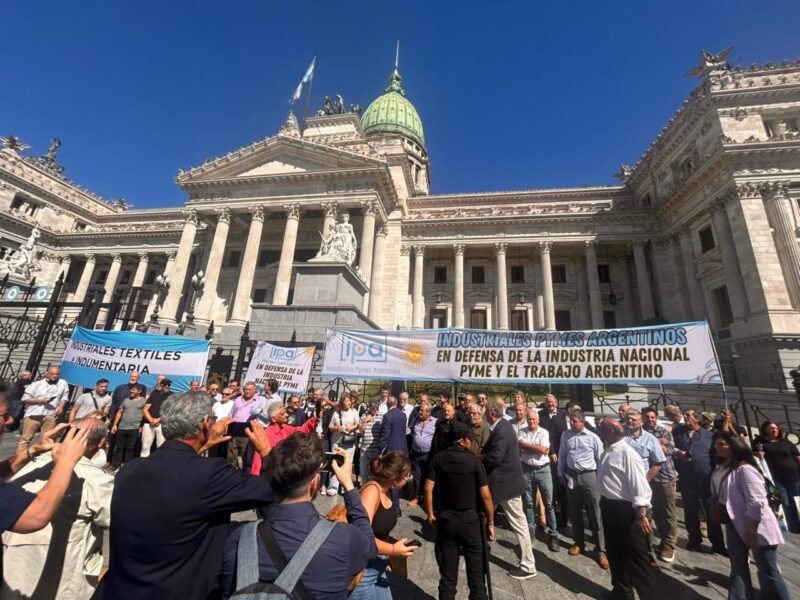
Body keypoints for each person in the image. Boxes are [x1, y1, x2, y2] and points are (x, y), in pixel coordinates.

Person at [98, 392, 274, 600]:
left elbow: (177, 474)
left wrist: (204, 445)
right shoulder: (209, 473)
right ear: (205, 424)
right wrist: (266, 452)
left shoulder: (130, 470)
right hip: (180, 591)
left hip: (121, 591)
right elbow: (269, 489)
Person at [221, 434, 375, 599]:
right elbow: (370, 546)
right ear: (315, 482)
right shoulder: (343, 539)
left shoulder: (239, 539)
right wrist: (349, 486)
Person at [2, 416, 113, 599]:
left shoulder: (26, 466)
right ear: (101, 442)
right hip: (58, 583)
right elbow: (113, 518)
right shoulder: (98, 480)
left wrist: (35, 449)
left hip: (10, 573)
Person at [710, 430, 791, 600]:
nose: (718, 448)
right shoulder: (722, 466)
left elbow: (757, 501)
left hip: (756, 524)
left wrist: (751, 528)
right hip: (734, 522)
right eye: (716, 444)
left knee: (767, 568)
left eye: (722, 444)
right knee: (738, 565)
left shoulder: (746, 469)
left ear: (734, 446)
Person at [425, 420, 494, 600]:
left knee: (448, 578)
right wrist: (491, 522)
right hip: (471, 520)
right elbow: (486, 495)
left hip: (447, 519)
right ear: (462, 441)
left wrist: (430, 514)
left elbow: (427, 489)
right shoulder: (473, 461)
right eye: (469, 439)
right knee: (477, 578)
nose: (471, 443)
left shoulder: (438, 458)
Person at [596, 418, 656, 600]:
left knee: (637, 557)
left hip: (627, 511)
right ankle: (622, 591)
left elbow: (640, 486)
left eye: (602, 429)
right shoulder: (608, 450)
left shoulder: (627, 454)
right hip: (609, 507)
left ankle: (650, 595)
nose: (600, 432)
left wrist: (641, 514)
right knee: (615, 551)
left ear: (611, 432)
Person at [350, 452, 419, 600]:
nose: (408, 479)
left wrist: (384, 557)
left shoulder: (386, 491)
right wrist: (393, 550)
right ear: (395, 477)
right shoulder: (372, 491)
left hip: (376, 565)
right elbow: (361, 536)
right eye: (406, 475)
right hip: (363, 573)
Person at [482, 399, 537, 579]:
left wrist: (476, 458)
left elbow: (494, 458)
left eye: (484, 411)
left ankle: (528, 565)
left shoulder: (501, 430)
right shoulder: (502, 426)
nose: (483, 414)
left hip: (507, 485)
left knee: (519, 524)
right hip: (505, 484)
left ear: (491, 413)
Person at [558, 410, 608, 569]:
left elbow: (601, 460)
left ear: (582, 422)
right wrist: (560, 473)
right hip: (572, 476)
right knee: (575, 511)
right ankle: (578, 542)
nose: (571, 424)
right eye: (570, 421)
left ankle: (600, 549)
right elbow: (562, 454)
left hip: (590, 476)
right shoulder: (566, 435)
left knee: (595, 512)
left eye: (574, 421)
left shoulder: (593, 438)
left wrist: (601, 480)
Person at [674, 408, 726, 554]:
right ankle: (694, 540)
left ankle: (718, 544)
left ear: (697, 419)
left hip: (706, 479)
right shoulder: (678, 433)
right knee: (690, 511)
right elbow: (673, 450)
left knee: (711, 512)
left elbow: (716, 454)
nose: (685, 417)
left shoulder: (709, 435)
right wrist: (679, 456)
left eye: (688, 415)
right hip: (687, 478)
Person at [519, 408, 559, 552]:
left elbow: (543, 450)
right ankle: (531, 530)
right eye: (529, 419)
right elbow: (521, 447)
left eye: (533, 419)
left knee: (549, 504)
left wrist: (527, 446)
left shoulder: (544, 432)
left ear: (538, 420)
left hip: (543, 470)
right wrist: (535, 448)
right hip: (527, 469)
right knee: (529, 503)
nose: (531, 422)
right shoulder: (521, 431)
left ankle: (553, 534)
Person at [642, 406, 679, 562]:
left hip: (665, 476)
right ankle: (662, 541)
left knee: (669, 513)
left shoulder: (664, 431)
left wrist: (653, 443)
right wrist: (657, 444)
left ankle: (670, 545)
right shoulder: (641, 432)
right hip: (649, 478)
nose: (650, 420)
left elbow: (668, 450)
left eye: (652, 417)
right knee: (656, 512)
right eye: (647, 417)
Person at [248, 400, 319, 476]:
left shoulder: (285, 428)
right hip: (270, 473)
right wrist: (255, 477)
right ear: (273, 419)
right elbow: (257, 459)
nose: (286, 415)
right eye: (282, 413)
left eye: (285, 412)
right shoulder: (267, 434)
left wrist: (313, 419)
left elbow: (301, 431)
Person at [755, 420, 800, 533]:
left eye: (775, 428)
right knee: (785, 501)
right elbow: (754, 454)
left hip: (793, 475)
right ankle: (792, 524)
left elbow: (797, 457)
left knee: (797, 500)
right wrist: (759, 455)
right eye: (771, 428)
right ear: (765, 430)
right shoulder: (761, 443)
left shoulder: (786, 443)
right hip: (776, 477)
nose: (774, 430)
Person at [17, 366, 70, 454]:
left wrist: (61, 406)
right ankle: (19, 458)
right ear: (47, 374)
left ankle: (39, 457)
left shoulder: (63, 383)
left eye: (57, 374)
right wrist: (40, 401)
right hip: (34, 413)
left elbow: (65, 396)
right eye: (52, 374)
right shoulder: (37, 384)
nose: (55, 376)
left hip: (50, 414)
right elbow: (24, 398)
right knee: (26, 438)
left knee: (47, 438)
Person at [539, 393, 569, 526]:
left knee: (563, 484)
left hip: (562, 453)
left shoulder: (562, 415)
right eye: (548, 402)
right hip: (548, 454)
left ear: (556, 403)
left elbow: (564, 434)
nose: (550, 404)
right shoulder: (542, 415)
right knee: (552, 486)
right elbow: (544, 435)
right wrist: (551, 451)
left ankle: (565, 515)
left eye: (552, 402)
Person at [378, 396, 408, 514]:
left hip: (392, 450)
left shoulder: (387, 416)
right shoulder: (403, 415)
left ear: (387, 405)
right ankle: (396, 506)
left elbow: (385, 436)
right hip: (402, 449)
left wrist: (380, 451)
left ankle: (394, 507)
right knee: (398, 476)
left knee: (391, 477)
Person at [227, 381, 265, 469]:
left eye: (249, 389)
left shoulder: (259, 401)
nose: (247, 391)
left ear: (254, 390)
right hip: (234, 429)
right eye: (245, 389)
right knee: (231, 455)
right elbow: (231, 413)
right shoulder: (238, 399)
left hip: (248, 432)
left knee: (245, 456)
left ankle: (243, 476)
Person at [110, 383, 146, 471]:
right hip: (122, 427)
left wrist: (142, 426)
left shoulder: (144, 401)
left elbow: (145, 414)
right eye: (131, 389)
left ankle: (126, 466)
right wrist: (115, 425)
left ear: (139, 391)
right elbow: (119, 412)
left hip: (134, 428)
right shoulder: (126, 400)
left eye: (133, 390)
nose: (131, 391)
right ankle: (115, 465)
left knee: (130, 448)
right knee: (119, 447)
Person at [328, 394, 360, 495]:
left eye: (349, 400)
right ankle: (333, 486)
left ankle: (345, 486)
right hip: (337, 441)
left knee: (347, 463)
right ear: (342, 402)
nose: (349, 402)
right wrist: (337, 428)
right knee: (336, 463)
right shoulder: (337, 412)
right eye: (346, 401)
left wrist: (352, 427)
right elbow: (330, 426)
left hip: (349, 441)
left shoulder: (354, 411)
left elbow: (357, 424)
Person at [408, 401, 435, 504]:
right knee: (416, 477)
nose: (420, 412)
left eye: (422, 410)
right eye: (420, 410)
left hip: (428, 455)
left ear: (428, 413)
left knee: (428, 477)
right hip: (416, 454)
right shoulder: (416, 421)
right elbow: (409, 431)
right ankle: (416, 497)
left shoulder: (435, 423)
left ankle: (426, 498)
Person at [141, 376, 172, 458]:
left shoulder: (172, 395)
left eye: (168, 384)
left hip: (162, 424)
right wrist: (151, 419)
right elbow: (145, 409)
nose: (167, 386)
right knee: (145, 447)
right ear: (160, 385)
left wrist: (158, 420)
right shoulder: (154, 393)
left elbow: (170, 411)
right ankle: (143, 465)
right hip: (148, 423)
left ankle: (158, 466)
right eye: (165, 384)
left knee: (161, 447)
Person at [359, 400, 383, 485]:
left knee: (375, 472)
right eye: (373, 408)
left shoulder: (381, 416)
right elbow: (360, 430)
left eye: (376, 407)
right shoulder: (364, 416)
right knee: (363, 471)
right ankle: (364, 487)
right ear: (369, 408)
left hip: (375, 449)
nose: (375, 409)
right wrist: (365, 421)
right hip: (364, 448)